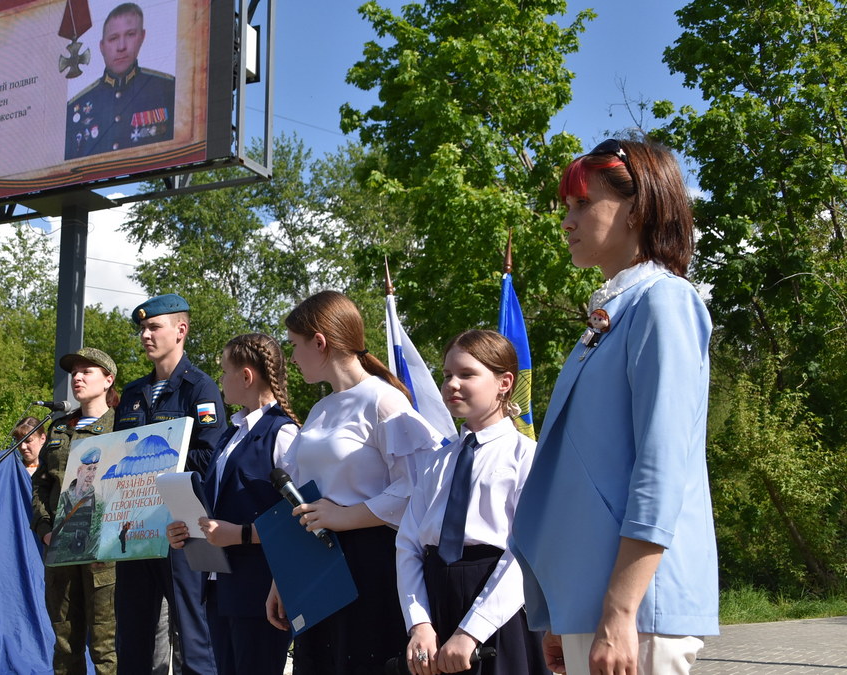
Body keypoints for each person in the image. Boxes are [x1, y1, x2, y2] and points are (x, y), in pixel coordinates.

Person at [510, 138, 719, 675]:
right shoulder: (617, 312)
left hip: (638, 610)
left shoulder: (663, 300)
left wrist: (620, 610)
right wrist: (563, 607)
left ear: (637, 209)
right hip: (596, 603)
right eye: (567, 207)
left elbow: (661, 468)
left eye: (584, 204)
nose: (567, 221)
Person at [266, 290, 444, 675]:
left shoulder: (384, 401)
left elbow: (419, 487)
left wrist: (346, 517)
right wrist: (284, 575)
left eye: (295, 346)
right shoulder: (318, 410)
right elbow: (298, 496)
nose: (292, 358)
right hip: (316, 562)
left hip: (369, 566)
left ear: (320, 342)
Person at [397, 330, 547, 675]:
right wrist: (419, 623)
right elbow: (408, 544)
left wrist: (471, 631)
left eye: (467, 374)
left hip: (500, 610)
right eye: (447, 374)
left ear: (504, 382)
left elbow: (526, 553)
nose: (451, 384)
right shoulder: (436, 462)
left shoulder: (526, 458)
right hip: (434, 608)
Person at [165, 333, 301, 675]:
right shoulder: (231, 434)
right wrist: (188, 527)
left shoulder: (282, 435)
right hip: (220, 586)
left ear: (246, 376)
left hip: (261, 589)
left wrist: (240, 535)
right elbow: (218, 506)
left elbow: (299, 518)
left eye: (225, 371)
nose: (220, 380)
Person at [114, 293, 224, 675]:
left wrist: (156, 468)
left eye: (153, 327)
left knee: (193, 633)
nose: (145, 334)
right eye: (142, 328)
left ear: (181, 330)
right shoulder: (131, 394)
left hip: (182, 524)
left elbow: (209, 457)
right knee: (132, 633)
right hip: (135, 526)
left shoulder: (201, 388)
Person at [27, 346, 120, 675]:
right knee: (65, 643)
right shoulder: (58, 429)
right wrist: (45, 529)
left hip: (104, 553)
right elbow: (41, 485)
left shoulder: (120, 426)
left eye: (87, 371)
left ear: (108, 380)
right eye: (74, 372)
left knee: (105, 647)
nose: (77, 377)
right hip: (61, 549)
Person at [65, 2, 175, 159]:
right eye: (113, 38)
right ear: (102, 46)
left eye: (130, 34)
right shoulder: (78, 106)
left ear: (142, 37)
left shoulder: (167, 89)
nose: (121, 46)